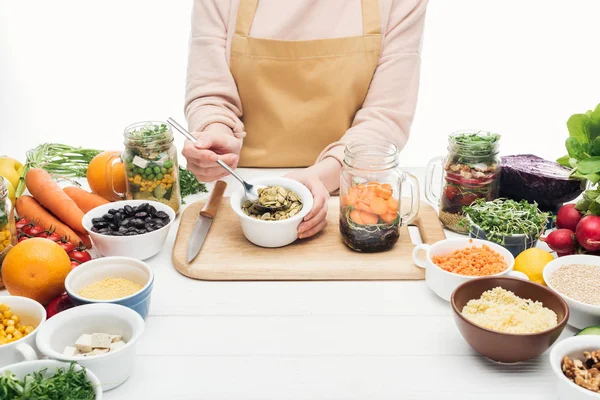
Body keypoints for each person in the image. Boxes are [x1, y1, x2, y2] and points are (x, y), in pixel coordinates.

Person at [183, 0, 428, 238]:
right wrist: (214, 131)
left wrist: (322, 175)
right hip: (240, 185)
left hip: (348, 189)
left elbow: (385, 114)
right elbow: (210, 92)